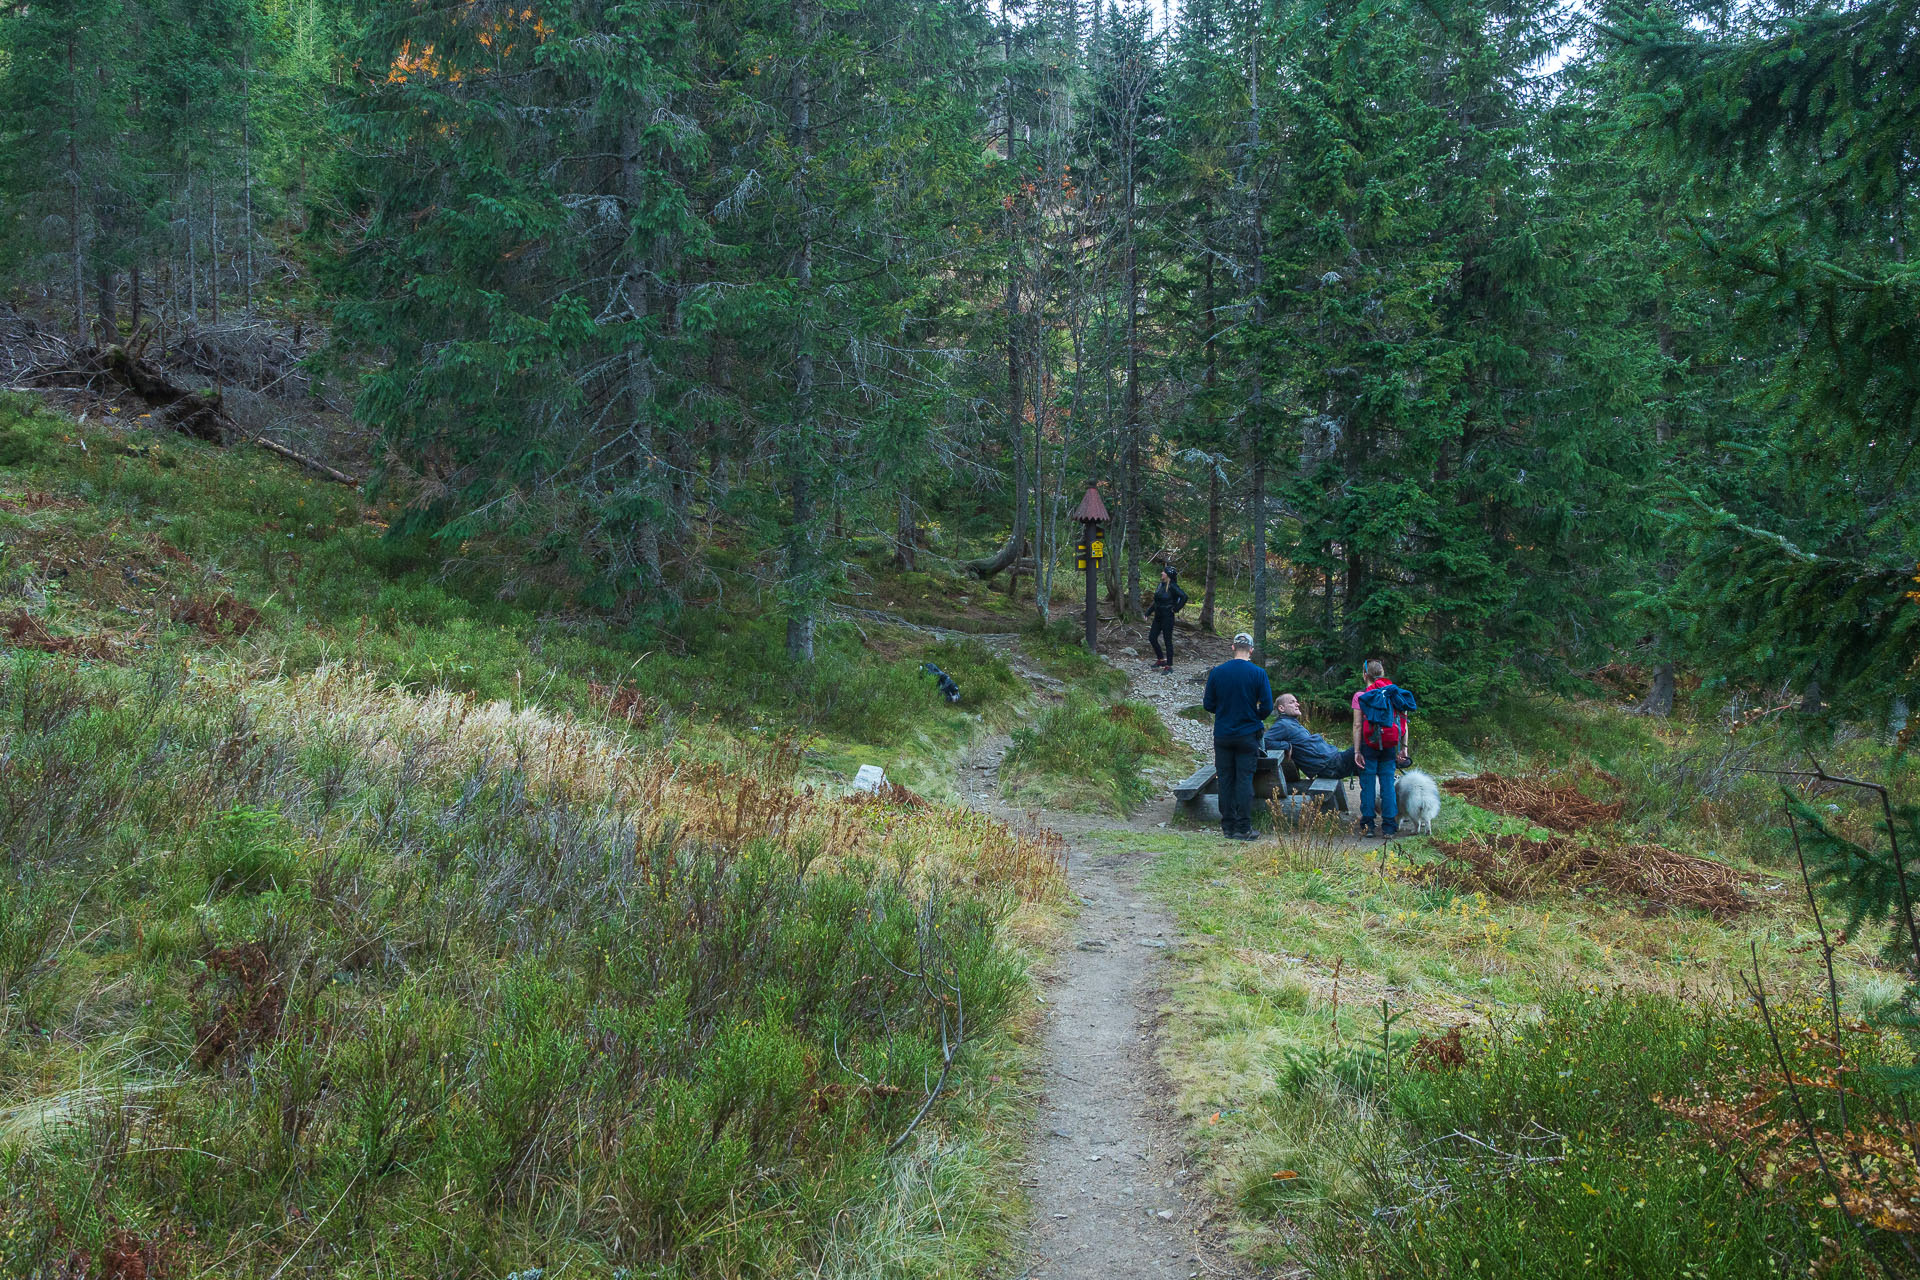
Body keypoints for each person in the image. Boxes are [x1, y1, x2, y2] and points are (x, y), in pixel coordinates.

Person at [1203, 632, 1273, 841]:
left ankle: (1227, 826)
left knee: (1225, 779)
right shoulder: (1258, 673)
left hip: (1223, 734)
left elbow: (1208, 704)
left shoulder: (1217, 672)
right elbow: (1268, 706)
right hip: (1247, 734)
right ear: (1251, 650)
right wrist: (1254, 716)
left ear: (1233, 647)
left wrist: (1224, 712)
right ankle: (1243, 827)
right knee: (1244, 779)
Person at [1350, 659, 1411, 837]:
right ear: (1382, 674)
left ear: (1364, 675)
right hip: (1390, 745)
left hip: (1369, 745)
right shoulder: (1394, 693)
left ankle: (1368, 826)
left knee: (1368, 785)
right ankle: (1389, 826)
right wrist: (1404, 748)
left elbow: (1357, 726)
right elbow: (1403, 722)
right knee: (1388, 785)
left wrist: (1356, 751)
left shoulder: (1360, 696)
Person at [1263, 693, 1359, 779]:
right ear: (1281, 708)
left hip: (1332, 761)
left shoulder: (1291, 723)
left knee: (1368, 762)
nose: (1297, 704)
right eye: (1292, 702)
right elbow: (1264, 741)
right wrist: (1286, 746)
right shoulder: (1283, 724)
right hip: (1330, 765)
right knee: (1364, 748)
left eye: (1296, 701)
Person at [1148, 567, 1188, 670]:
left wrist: (1176, 609)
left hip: (1168, 617)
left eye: (1164, 572)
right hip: (1158, 617)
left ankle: (1168, 665)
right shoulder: (1160, 585)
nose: (1162, 573)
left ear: (1168, 575)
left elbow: (1184, 597)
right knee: (1152, 637)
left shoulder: (1173, 586)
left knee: (1167, 641)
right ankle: (1161, 659)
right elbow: (1156, 602)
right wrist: (1148, 613)